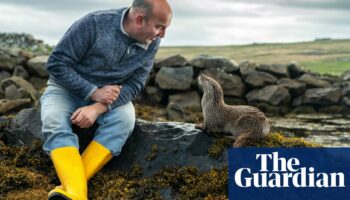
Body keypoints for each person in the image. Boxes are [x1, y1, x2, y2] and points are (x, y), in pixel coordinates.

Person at [40, 0, 172, 199]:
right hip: (64, 90)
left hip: (110, 98)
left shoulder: (152, 40)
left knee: (125, 121)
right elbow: (57, 64)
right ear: (139, 20)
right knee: (53, 121)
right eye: (159, 27)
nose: (162, 34)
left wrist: (97, 107)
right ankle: (78, 194)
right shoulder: (93, 23)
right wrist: (93, 92)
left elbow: (136, 84)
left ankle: (72, 191)